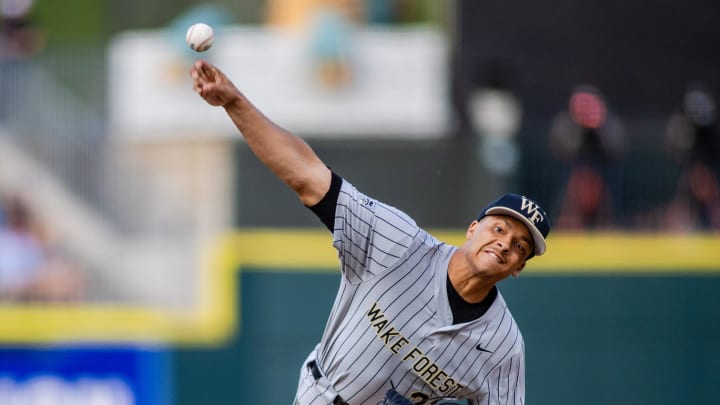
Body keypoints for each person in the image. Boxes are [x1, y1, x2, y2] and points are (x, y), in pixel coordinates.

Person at [190, 59, 551, 405]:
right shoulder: (398, 243)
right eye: (499, 228)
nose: (505, 243)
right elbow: (308, 177)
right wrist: (234, 102)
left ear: (519, 266)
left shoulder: (503, 346)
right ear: (473, 228)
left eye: (520, 246)